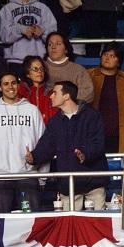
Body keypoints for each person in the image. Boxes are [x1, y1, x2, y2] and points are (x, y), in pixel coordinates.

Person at [25, 81, 109, 211]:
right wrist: (34, 157)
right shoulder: (55, 121)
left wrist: (84, 154)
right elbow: (46, 145)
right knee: (69, 228)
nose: (51, 96)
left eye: (55, 92)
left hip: (94, 184)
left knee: (97, 226)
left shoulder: (92, 116)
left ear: (66, 96)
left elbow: (98, 144)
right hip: (68, 186)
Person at [0, 71, 47, 212]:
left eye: (13, 83)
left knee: (30, 221)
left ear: (18, 85)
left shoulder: (31, 110)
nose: (10, 87)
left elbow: (42, 142)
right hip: (0, 176)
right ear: (0, 88)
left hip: (27, 174)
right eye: (5, 84)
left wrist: (42, 176)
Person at [88, 42, 124, 153]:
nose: (107, 58)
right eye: (105, 54)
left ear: (119, 62)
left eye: (112, 56)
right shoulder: (89, 75)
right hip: (93, 134)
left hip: (118, 135)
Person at [0, 0, 57, 75]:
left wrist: (42, 31)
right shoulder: (7, 9)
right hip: (16, 62)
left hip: (39, 61)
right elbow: (4, 37)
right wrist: (21, 30)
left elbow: (54, 36)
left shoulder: (43, 8)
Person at [44, 32, 94, 104]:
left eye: (58, 44)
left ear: (66, 49)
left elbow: (88, 92)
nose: (53, 47)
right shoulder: (40, 67)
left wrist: (69, 106)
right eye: (50, 44)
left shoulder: (78, 70)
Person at [18, 55, 58, 124]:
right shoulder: (21, 92)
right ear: (28, 74)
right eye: (35, 69)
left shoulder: (51, 92)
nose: (39, 71)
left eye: (42, 69)